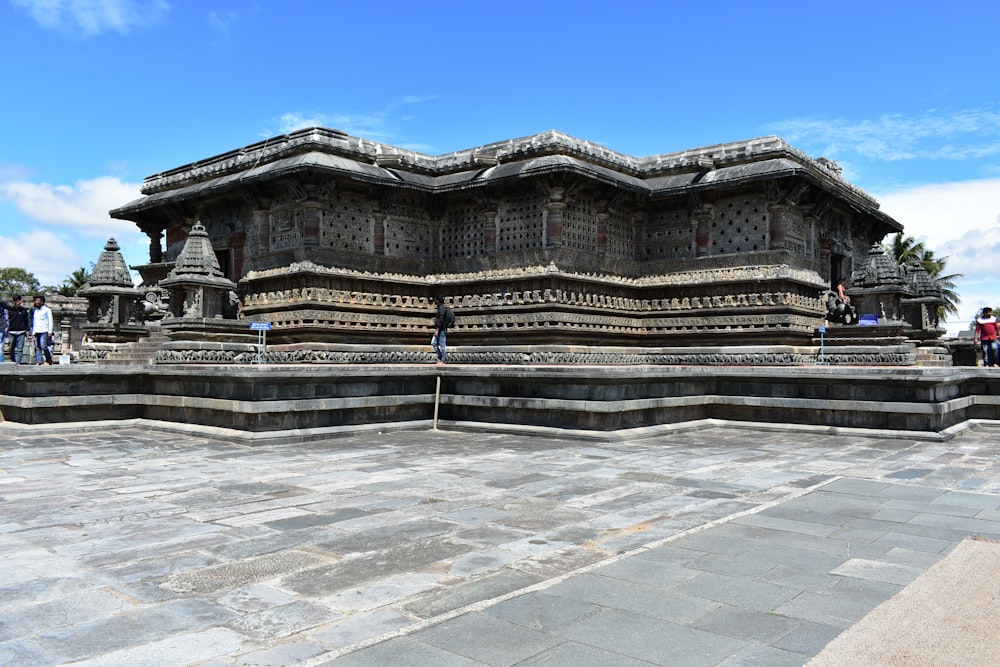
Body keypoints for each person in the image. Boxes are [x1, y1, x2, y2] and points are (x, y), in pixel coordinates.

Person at [0, 295, 31, 364]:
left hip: (21, 331)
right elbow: (4, 307)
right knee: (11, 348)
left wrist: (27, 330)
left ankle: (18, 363)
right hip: (12, 331)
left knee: (20, 348)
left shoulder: (24, 310)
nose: (19, 302)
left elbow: (26, 320)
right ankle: (13, 360)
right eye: (17, 301)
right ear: (14, 302)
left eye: (20, 301)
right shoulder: (10, 309)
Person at [431, 295, 455, 366]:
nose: (434, 301)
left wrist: (437, 330)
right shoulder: (440, 308)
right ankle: (441, 357)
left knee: (443, 346)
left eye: (435, 299)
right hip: (440, 329)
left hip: (441, 330)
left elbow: (441, 320)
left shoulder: (441, 309)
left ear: (438, 300)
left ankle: (443, 360)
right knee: (433, 343)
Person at [31, 294, 54, 365]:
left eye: (38, 300)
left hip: (44, 330)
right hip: (37, 331)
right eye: (35, 301)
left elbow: (50, 321)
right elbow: (34, 322)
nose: (36, 302)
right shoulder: (36, 311)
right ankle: (39, 361)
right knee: (37, 347)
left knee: (43, 346)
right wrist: (33, 332)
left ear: (42, 302)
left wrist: (50, 331)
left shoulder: (47, 310)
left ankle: (48, 359)